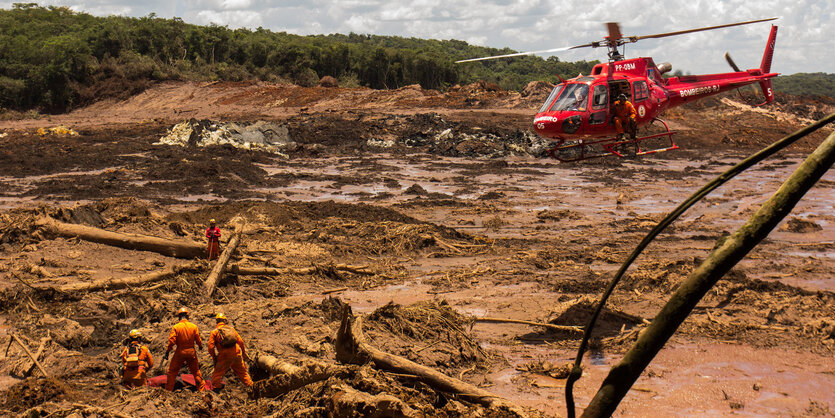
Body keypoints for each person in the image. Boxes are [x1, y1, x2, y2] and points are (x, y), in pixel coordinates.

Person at [208, 313, 253, 392]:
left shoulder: (214, 332)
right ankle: (252, 387)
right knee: (243, 373)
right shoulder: (231, 329)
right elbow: (241, 342)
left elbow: (210, 347)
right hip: (237, 352)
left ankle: (216, 390)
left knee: (217, 374)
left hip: (225, 355)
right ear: (225, 320)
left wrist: (214, 357)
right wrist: (244, 353)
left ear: (217, 321)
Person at [164, 307, 206, 391]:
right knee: (196, 372)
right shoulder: (193, 326)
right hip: (191, 351)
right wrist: (200, 346)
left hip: (180, 352)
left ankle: (168, 391)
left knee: (172, 372)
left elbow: (171, 341)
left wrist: (168, 351)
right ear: (188, 316)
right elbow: (198, 339)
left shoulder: (176, 327)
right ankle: (202, 390)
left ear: (179, 317)